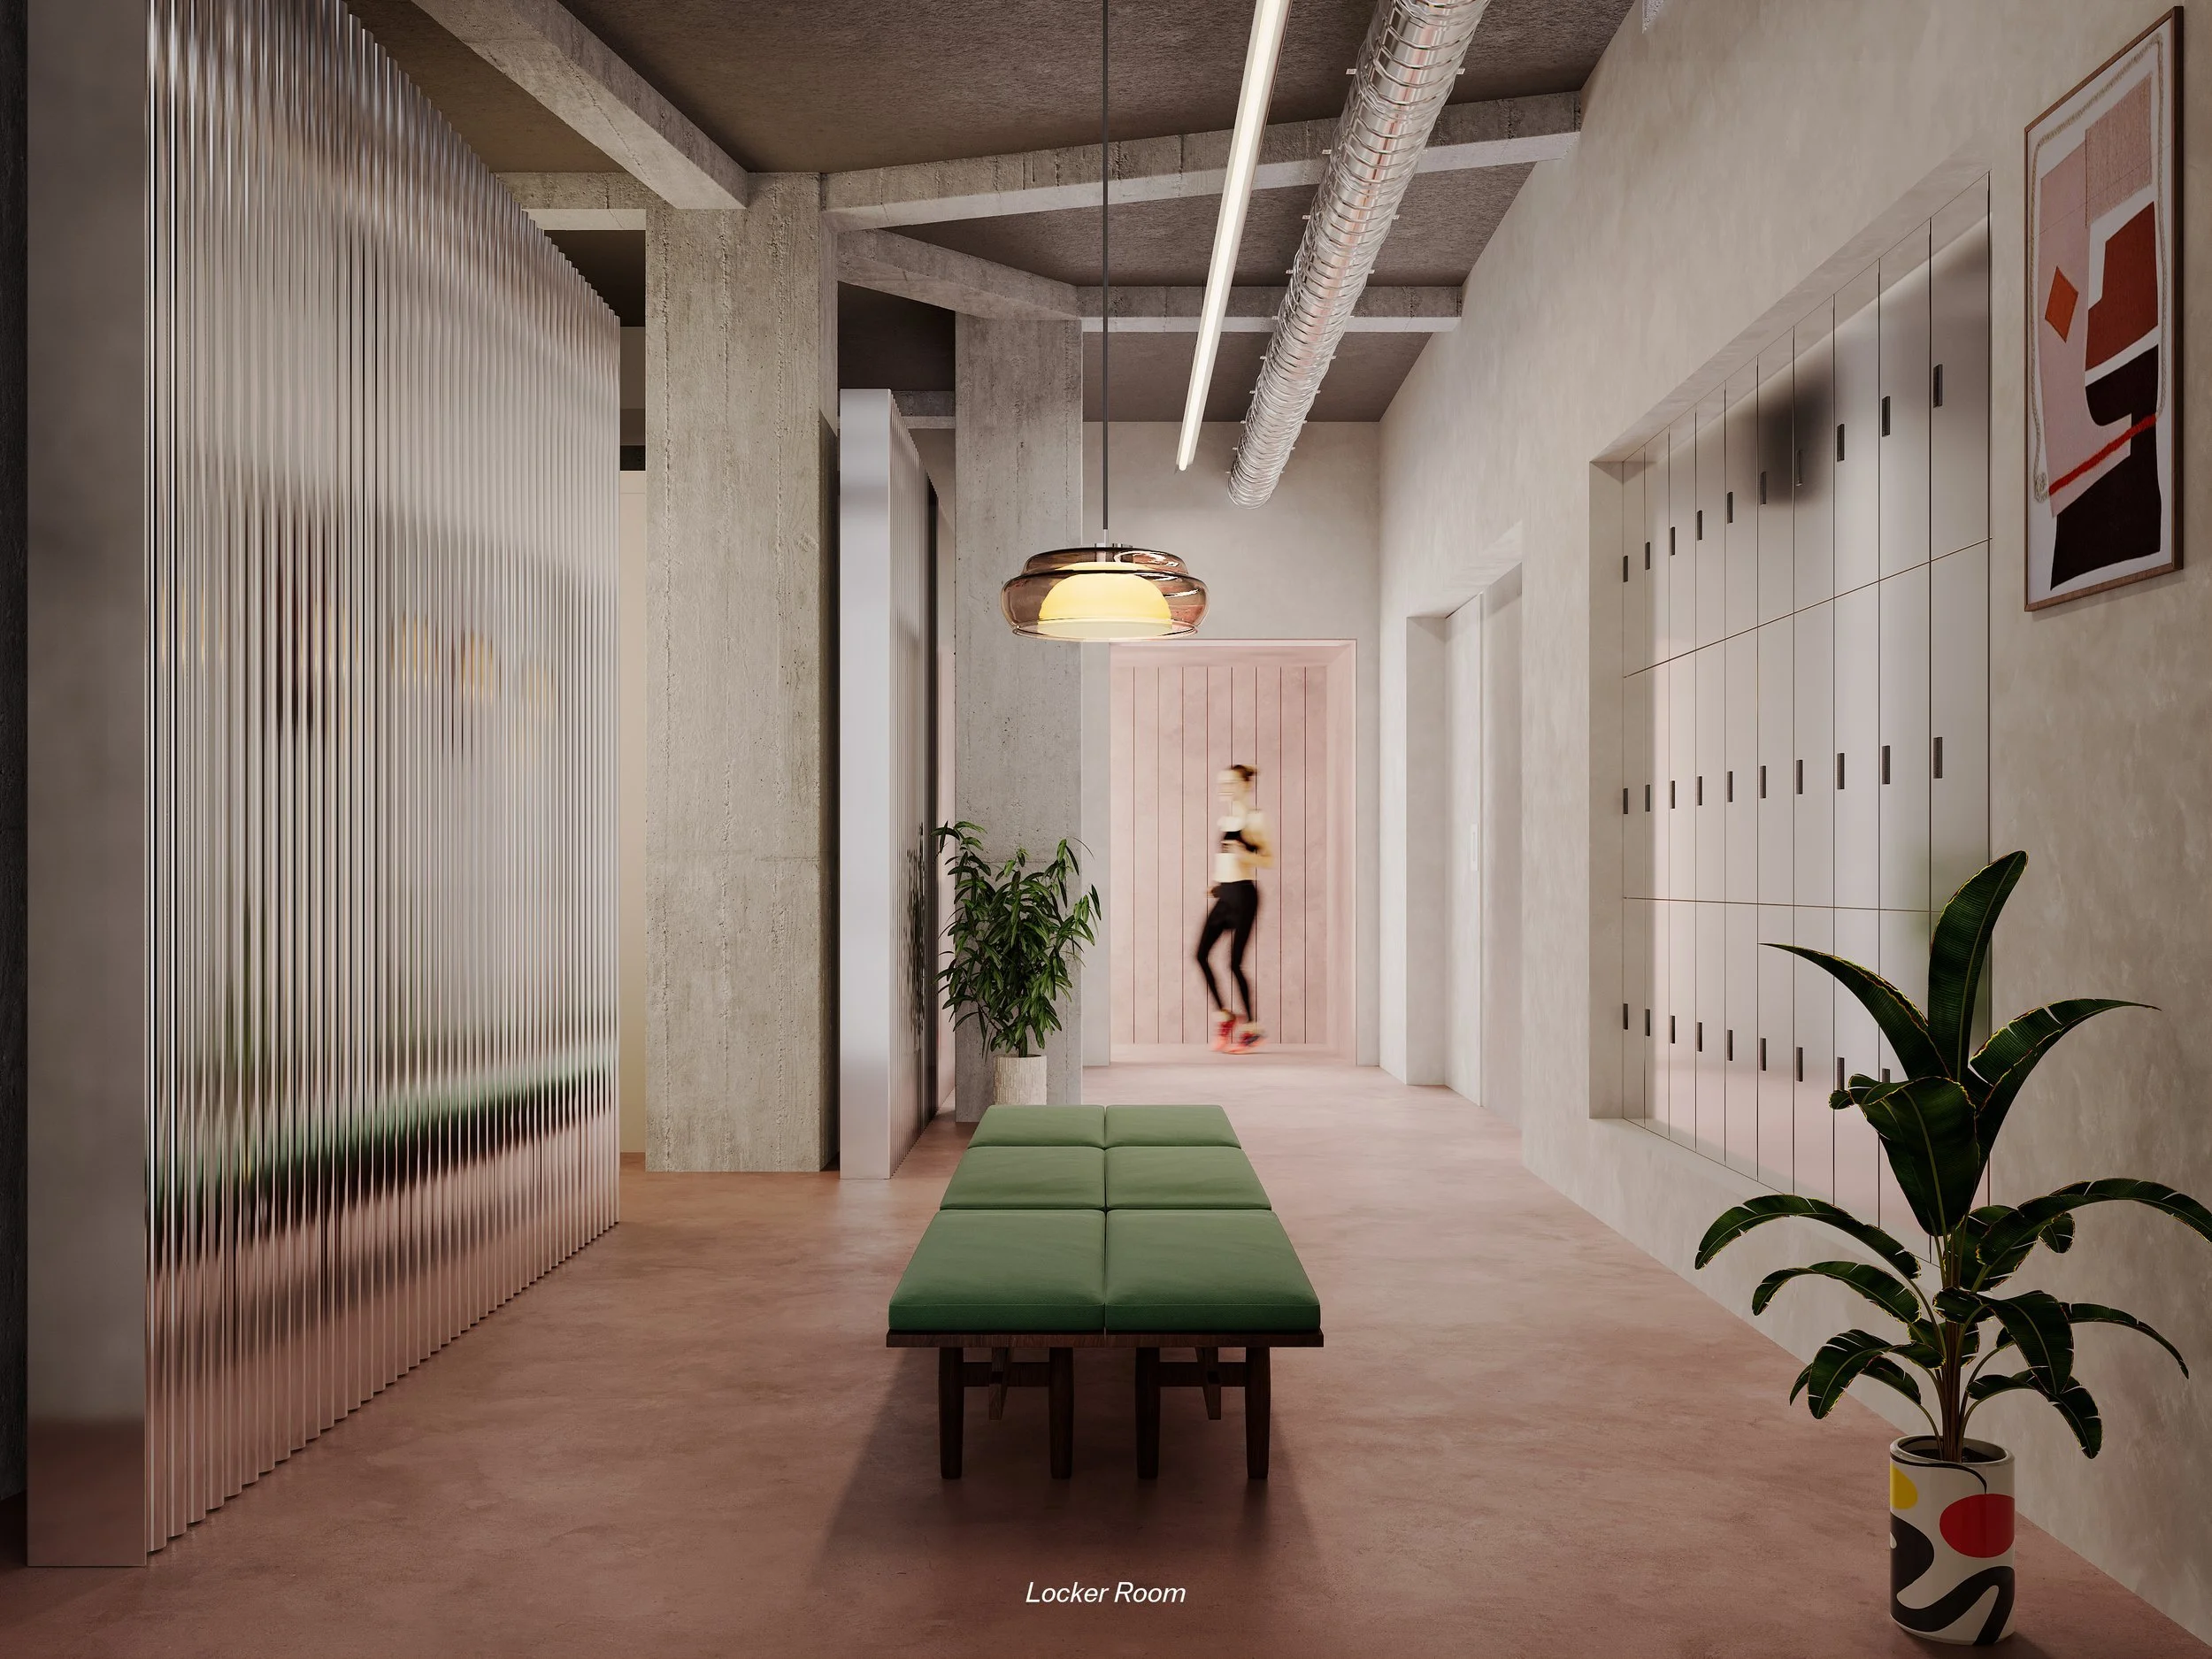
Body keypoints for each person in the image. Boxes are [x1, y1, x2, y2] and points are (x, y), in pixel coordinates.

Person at [1195, 764, 1273, 1054]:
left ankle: (1252, 1029)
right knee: (1201, 955)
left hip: (1244, 894)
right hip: (1225, 893)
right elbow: (1226, 861)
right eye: (1221, 783)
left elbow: (1268, 859)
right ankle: (1226, 1016)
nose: (1224, 787)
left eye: (1230, 782)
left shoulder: (1255, 819)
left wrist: (1245, 853)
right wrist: (1217, 886)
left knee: (1234, 963)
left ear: (1245, 785)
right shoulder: (1225, 820)